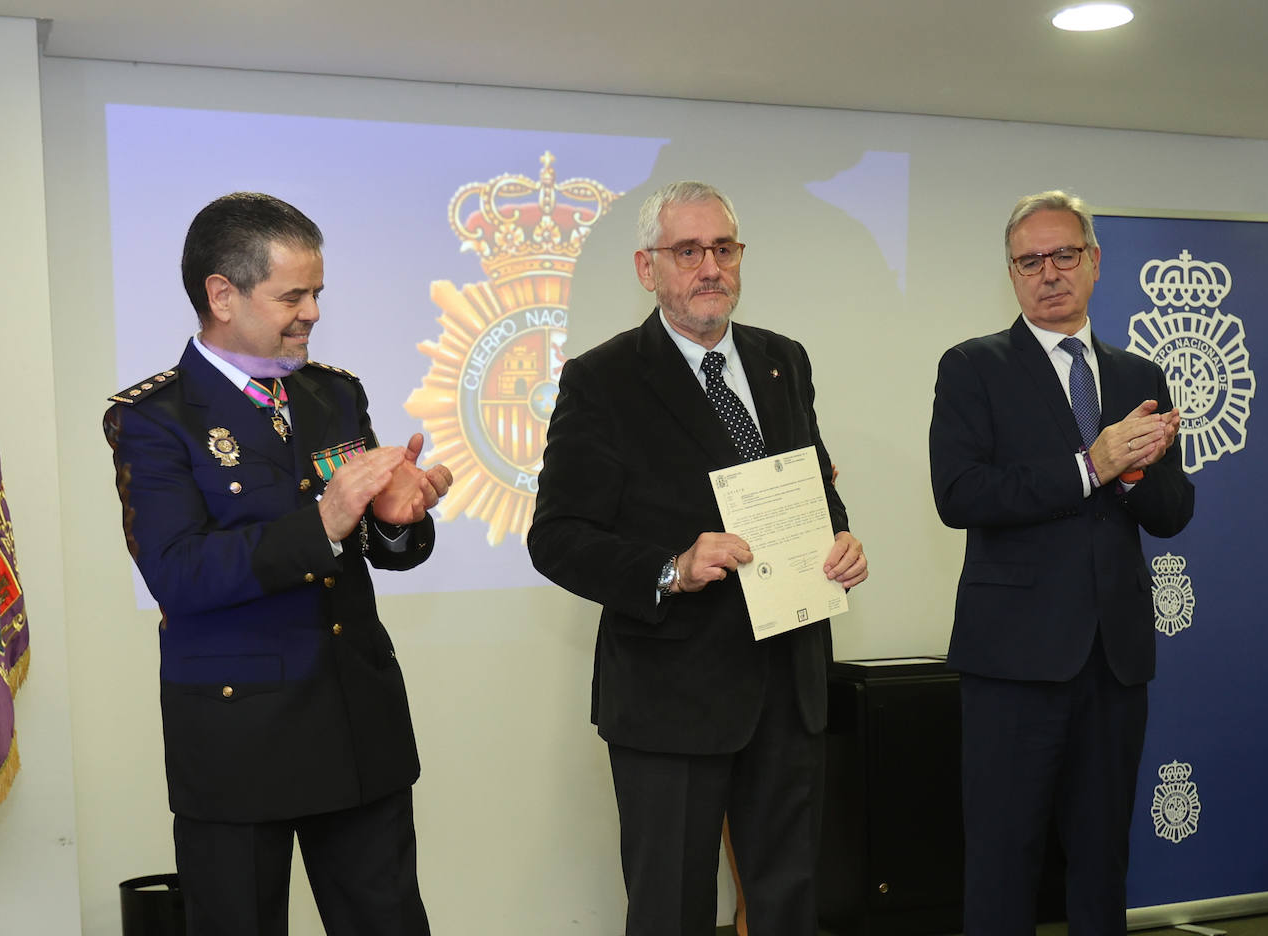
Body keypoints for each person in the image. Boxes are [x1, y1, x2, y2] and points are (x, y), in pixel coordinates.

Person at [103, 192, 452, 936]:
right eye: (292, 294)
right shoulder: (154, 419)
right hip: (239, 744)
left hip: (359, 727)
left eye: (317, 292)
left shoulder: (333, 393)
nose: (313, 312)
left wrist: (396, 522)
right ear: (221, 295)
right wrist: (323, 522)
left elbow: (375, 551)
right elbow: (179, 573)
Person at [527, 180, 868, 936]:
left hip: (790, 683)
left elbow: (810, 484)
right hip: (670, 697)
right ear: (649, 269)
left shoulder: (785, 361)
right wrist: (670, 567)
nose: (709, 267)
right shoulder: (603, 379)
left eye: (723, 248)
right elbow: (555, 537)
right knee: (672, 912)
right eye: (688, 251)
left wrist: (840, 539)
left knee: (788, 904)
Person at [928, 191, 1195, 935]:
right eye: (1029, 261)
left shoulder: (1141, 375)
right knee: (1003, 859)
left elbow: (1172, 512)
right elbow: (960, 493)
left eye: (1064, 256)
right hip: (1013, 663)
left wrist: (1137, 474)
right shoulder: (973, 367)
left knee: (1103, 857)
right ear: (1011, 274)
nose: (1048, 274)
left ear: (1095, 262)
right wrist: (1091, 464)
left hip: (1115, 661)